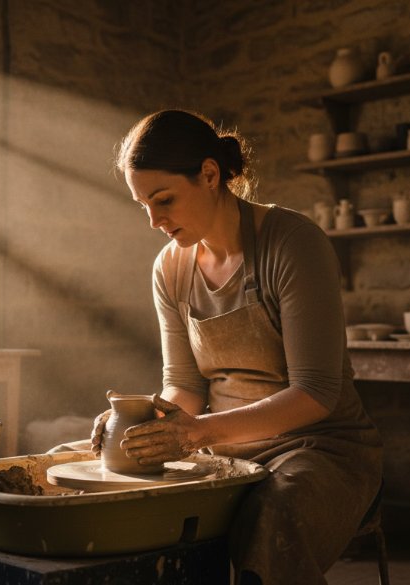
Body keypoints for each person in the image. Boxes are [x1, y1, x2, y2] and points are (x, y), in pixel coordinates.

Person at [92, 109, 383, 585]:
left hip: (320, 447)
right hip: (221, 447)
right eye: (142, 204)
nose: (153, 221)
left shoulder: (292, 243)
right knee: (93, 482)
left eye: (163, 199)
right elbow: (184, 386)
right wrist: (143, 420)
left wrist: (196, 433)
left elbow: (316, 391)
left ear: (210, 174)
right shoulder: (170, 268)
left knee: (276, 512)